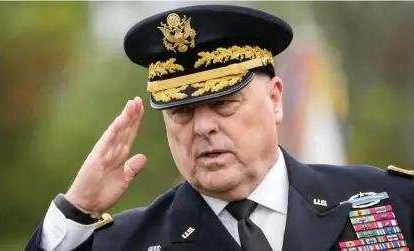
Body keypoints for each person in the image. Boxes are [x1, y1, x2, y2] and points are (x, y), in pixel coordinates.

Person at [25, 4, 414, 251]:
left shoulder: (392, 202)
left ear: (276, 99)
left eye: (223, 102)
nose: (203, 127)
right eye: (181, 111)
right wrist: (76, 210)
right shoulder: (124, 242)